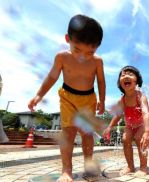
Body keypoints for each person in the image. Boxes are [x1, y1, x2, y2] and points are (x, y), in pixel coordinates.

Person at [28, 14, 105, 182]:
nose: (83, 56)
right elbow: (51, 77)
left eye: (90, 52)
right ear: (67, 39)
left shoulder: (98, 62)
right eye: (77, 50)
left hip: (88, 100)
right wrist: (39, 95)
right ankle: (66, 170)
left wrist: (103, 101)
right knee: (68, 134)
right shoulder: (62, 57)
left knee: (87, 134)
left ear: (97, 48)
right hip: (68, 97)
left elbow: (101, 81)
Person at [103, 66, 149, 177]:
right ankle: (130, 166)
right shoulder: (122, 100)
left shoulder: (140, 96)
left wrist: (147, 131)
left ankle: (143, 167)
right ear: (120, 83)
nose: (126, 76)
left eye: (130, 74)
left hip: (141, 124)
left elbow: (145, 113)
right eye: (123, 75)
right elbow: (118, 115)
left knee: (140, 139)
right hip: (130, 125)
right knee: (125, 139)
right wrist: (110, 127)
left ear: (137, 81)